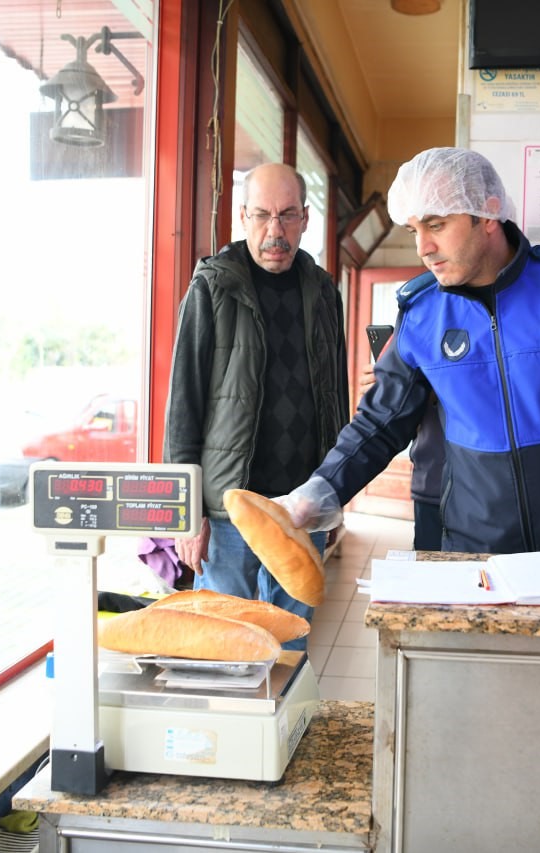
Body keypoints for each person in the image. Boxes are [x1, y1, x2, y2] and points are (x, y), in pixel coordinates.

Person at [280, 147, 540, 559]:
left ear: (489, 213)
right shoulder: (422, 315)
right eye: (413, 231)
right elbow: (379, 422)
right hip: (475, 561)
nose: (423, 247)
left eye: (436, 224)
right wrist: (320, 490)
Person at [163, 162, 349, 646]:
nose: (275, 230)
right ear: (243, 216)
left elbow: (335, 395)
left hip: (302, 506)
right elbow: (183, 405)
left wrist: (335, 497)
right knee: (226, 648)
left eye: (287, 215)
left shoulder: (324, 292)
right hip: (228, 509)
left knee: (292, 644)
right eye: (263, 215)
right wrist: (187, 513)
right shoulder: (212, 288)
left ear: (305, 218)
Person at [357, 361, 444, 551]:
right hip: (430, 481)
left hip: (487, 488)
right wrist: (386, 395)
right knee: (429, 563)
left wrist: (418, 388)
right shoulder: (414, 341)